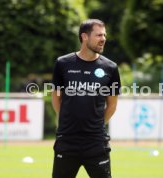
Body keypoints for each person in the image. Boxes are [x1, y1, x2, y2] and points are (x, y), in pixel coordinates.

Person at [51, 19, 121, 178]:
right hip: (67, 140)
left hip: (96, 142)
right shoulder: (62, 63)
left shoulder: (110, 68)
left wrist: (96, 125)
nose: (103, 39)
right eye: (98, 35)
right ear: (84, 37)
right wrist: (67, 120)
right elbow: (56, 98)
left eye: (104, 35)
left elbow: (112, 105)